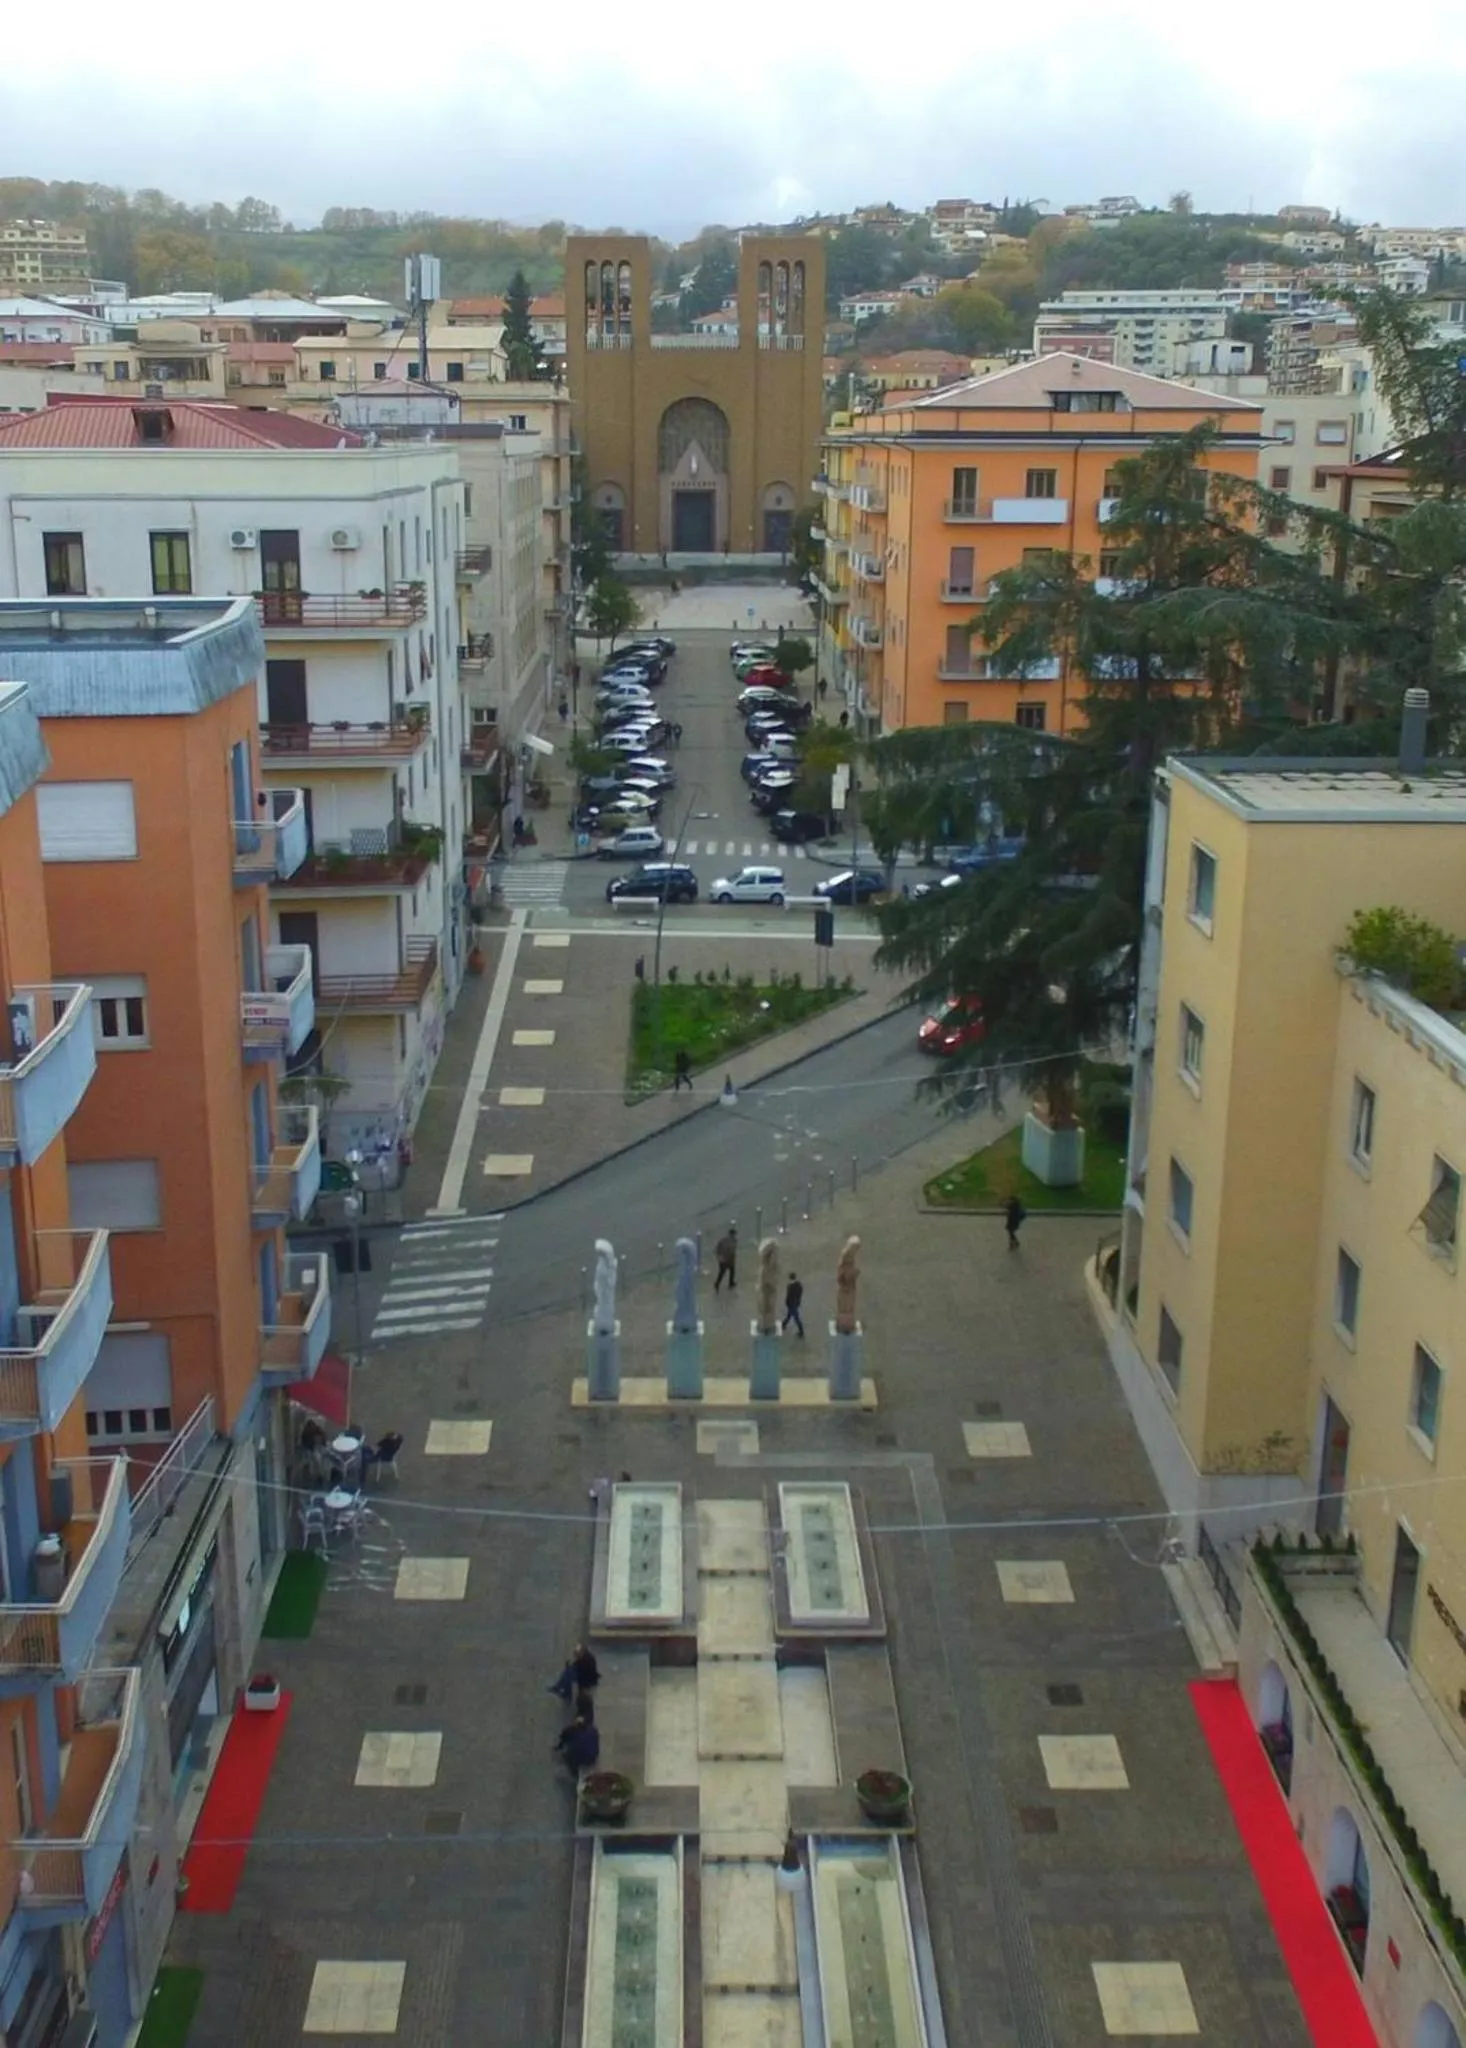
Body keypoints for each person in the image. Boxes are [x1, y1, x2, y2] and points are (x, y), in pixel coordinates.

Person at [555, 1712, 600, 1778]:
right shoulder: (593, 1730)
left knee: (570, 1759)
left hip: (585, 1757)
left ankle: (574, 1774)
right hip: (594, 1755)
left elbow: (573, 1750)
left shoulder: (573, 1734)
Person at [714, 1225, 738, 1292]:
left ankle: (729, 1283)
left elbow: (718, 1248)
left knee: (729, 1271)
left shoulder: (723, 1240)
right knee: (723, 1272)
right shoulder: (733, 1241)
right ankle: (718, 1284)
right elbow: (732, 1251)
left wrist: (718, 1256)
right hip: (726, 1259)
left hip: (724, 1259)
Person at [782, 1272, 805, 1338]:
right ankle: (783, 1324)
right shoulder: (799, 1285)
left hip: (791, 1304)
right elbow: (800, 1294)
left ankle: (801, 1331)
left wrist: (787, 1302)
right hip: (796, 1303)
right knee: (789, 1315)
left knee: (796, 1317)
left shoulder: (790, 1286)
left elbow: (788, 1296)